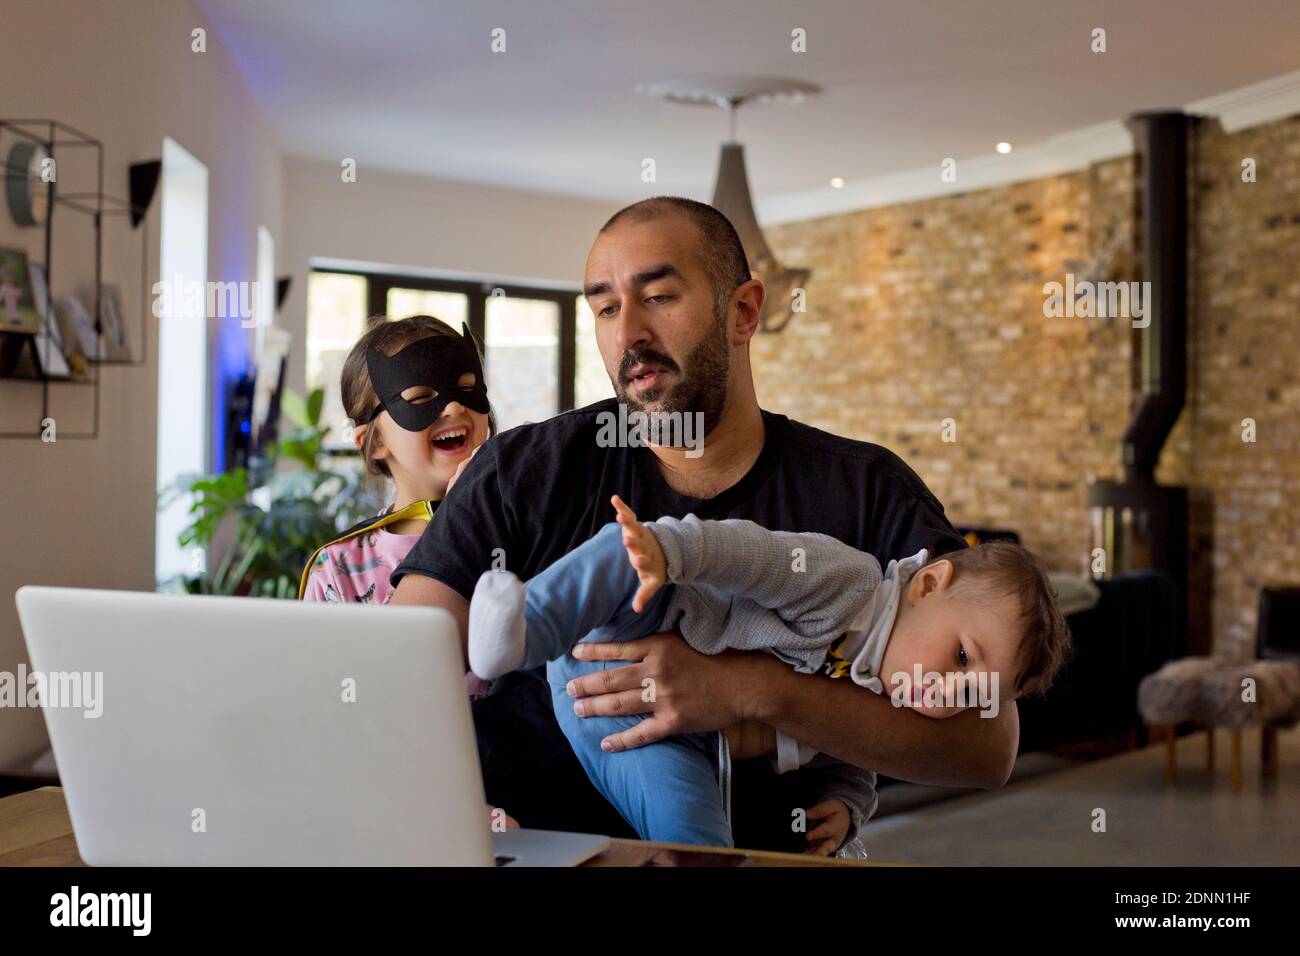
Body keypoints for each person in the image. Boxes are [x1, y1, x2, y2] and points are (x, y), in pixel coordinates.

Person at [392, 197, 1023, 853]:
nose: (627, 332)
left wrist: (752, 691)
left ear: (744, 311)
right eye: (606, 308)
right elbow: (392, 671)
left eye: (658, 296)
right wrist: (452, 807)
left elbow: (986, 748)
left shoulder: (865, 491)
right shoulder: (522, 471)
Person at [469, 494, 1070, 847]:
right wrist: (668, 553)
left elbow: (855, 753)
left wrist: (848, 801)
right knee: (623, 551)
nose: (948, 691)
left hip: (639, 728)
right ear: (929, 584)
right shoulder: (849, 585)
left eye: (971, 694)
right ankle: (519, 632)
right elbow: (753, 554)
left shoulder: (894, 692)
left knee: (696, 837)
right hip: (637, 622)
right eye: (961, 657)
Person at [300, 314, 496, 697]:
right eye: (421, 399)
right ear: (374, 443)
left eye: (467, 389)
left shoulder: (533, 525)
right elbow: (326, 696)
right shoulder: (339, 569)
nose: (454, 409)